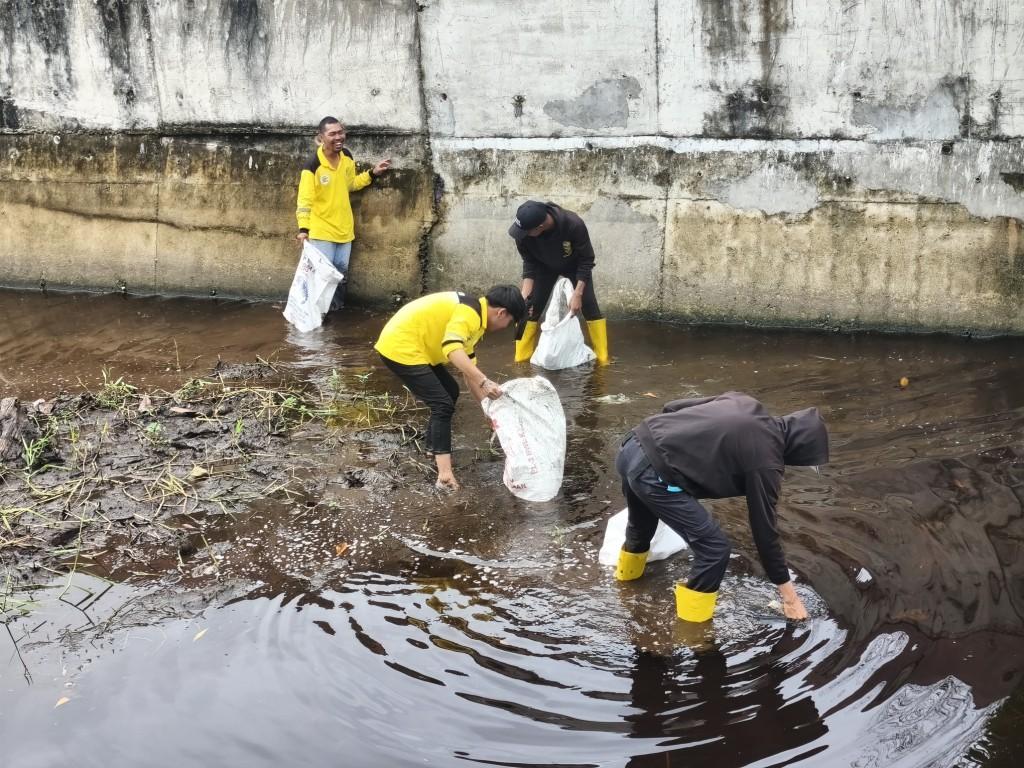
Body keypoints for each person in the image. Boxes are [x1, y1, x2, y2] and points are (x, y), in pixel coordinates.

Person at [613, 392, 829, 623]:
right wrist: (790, 599)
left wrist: (681, 446)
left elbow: (672, 406)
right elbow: (764, 532)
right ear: (799, 450)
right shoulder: (767, 462)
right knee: (715, 550)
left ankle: (624, 588)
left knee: (641, 527)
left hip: (631, 446)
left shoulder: (744, 401)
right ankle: (691, 632)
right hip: (651, 475)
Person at [374, 286, 527, 491]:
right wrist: (485, 381)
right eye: (509, 322)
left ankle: (432, 448)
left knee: (450, 391)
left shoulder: (476, 317)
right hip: (401, 347)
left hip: (419, 347)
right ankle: (444, 475)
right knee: (442, 404)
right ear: (501, 313)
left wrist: (488, 412)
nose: (505, 327)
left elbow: (468, 371)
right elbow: (452, 348)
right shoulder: (469, 313)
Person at [296, 116, 391, 313]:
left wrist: (372, 174)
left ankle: (335, 314)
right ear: (321, 137)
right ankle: (315, 316)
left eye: (341, 132)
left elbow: (350, 184)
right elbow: (304, 202)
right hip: (321, 231)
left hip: (345, 230)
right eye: (332, 134)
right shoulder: (312, 166)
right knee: (322, 278)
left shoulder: (347, 156)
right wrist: (303, 229)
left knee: (340, 276)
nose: (338, 137)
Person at [507, 200, 609, 364]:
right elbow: (529, 263)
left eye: (526, 232)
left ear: (540, 226)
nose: (521, 235)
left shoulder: (572, 224)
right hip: (543, 268)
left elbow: (587, 260)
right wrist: (524, 295)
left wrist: (577, 294)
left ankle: (603, 359)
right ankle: (521, 359)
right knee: (529, 309)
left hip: (576, 268)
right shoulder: (523, 234)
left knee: (590, 308)